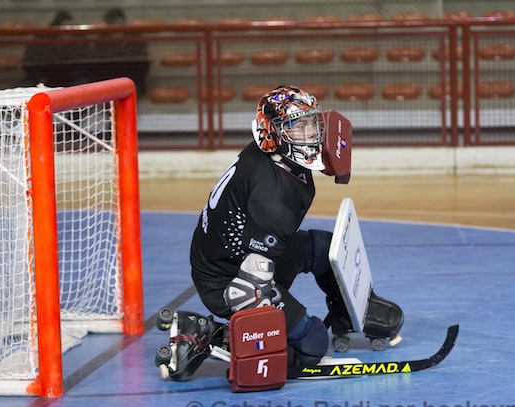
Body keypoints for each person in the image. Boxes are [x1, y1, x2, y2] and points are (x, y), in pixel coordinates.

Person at [161, 85, 403, 381]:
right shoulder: (272, 199)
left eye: (310, 121)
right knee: (313, 344)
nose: (310, 133)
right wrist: (286, 327)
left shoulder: (274, 155)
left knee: (324, 249)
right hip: (229, 280)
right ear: (273, 132)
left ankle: (347, 316)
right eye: (296, 126)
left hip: (235, 254)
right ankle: (210, 336)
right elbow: (248, 288)